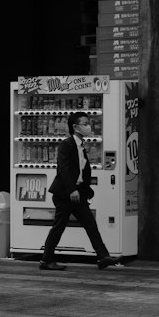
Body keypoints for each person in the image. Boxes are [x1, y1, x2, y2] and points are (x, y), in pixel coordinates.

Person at [40, 110, 123, 271]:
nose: (88, 127)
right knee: (59, 227)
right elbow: (63, 169)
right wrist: (72, 190)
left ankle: (103, 257)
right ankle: (46, 260)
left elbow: (81, 171)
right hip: (65, 194)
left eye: (88, 123)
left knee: (91, 224)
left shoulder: (81, 146)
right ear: (76, 127)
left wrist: (85, 190)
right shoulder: (66, 144)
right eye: (85, 124)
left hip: (78, 194)